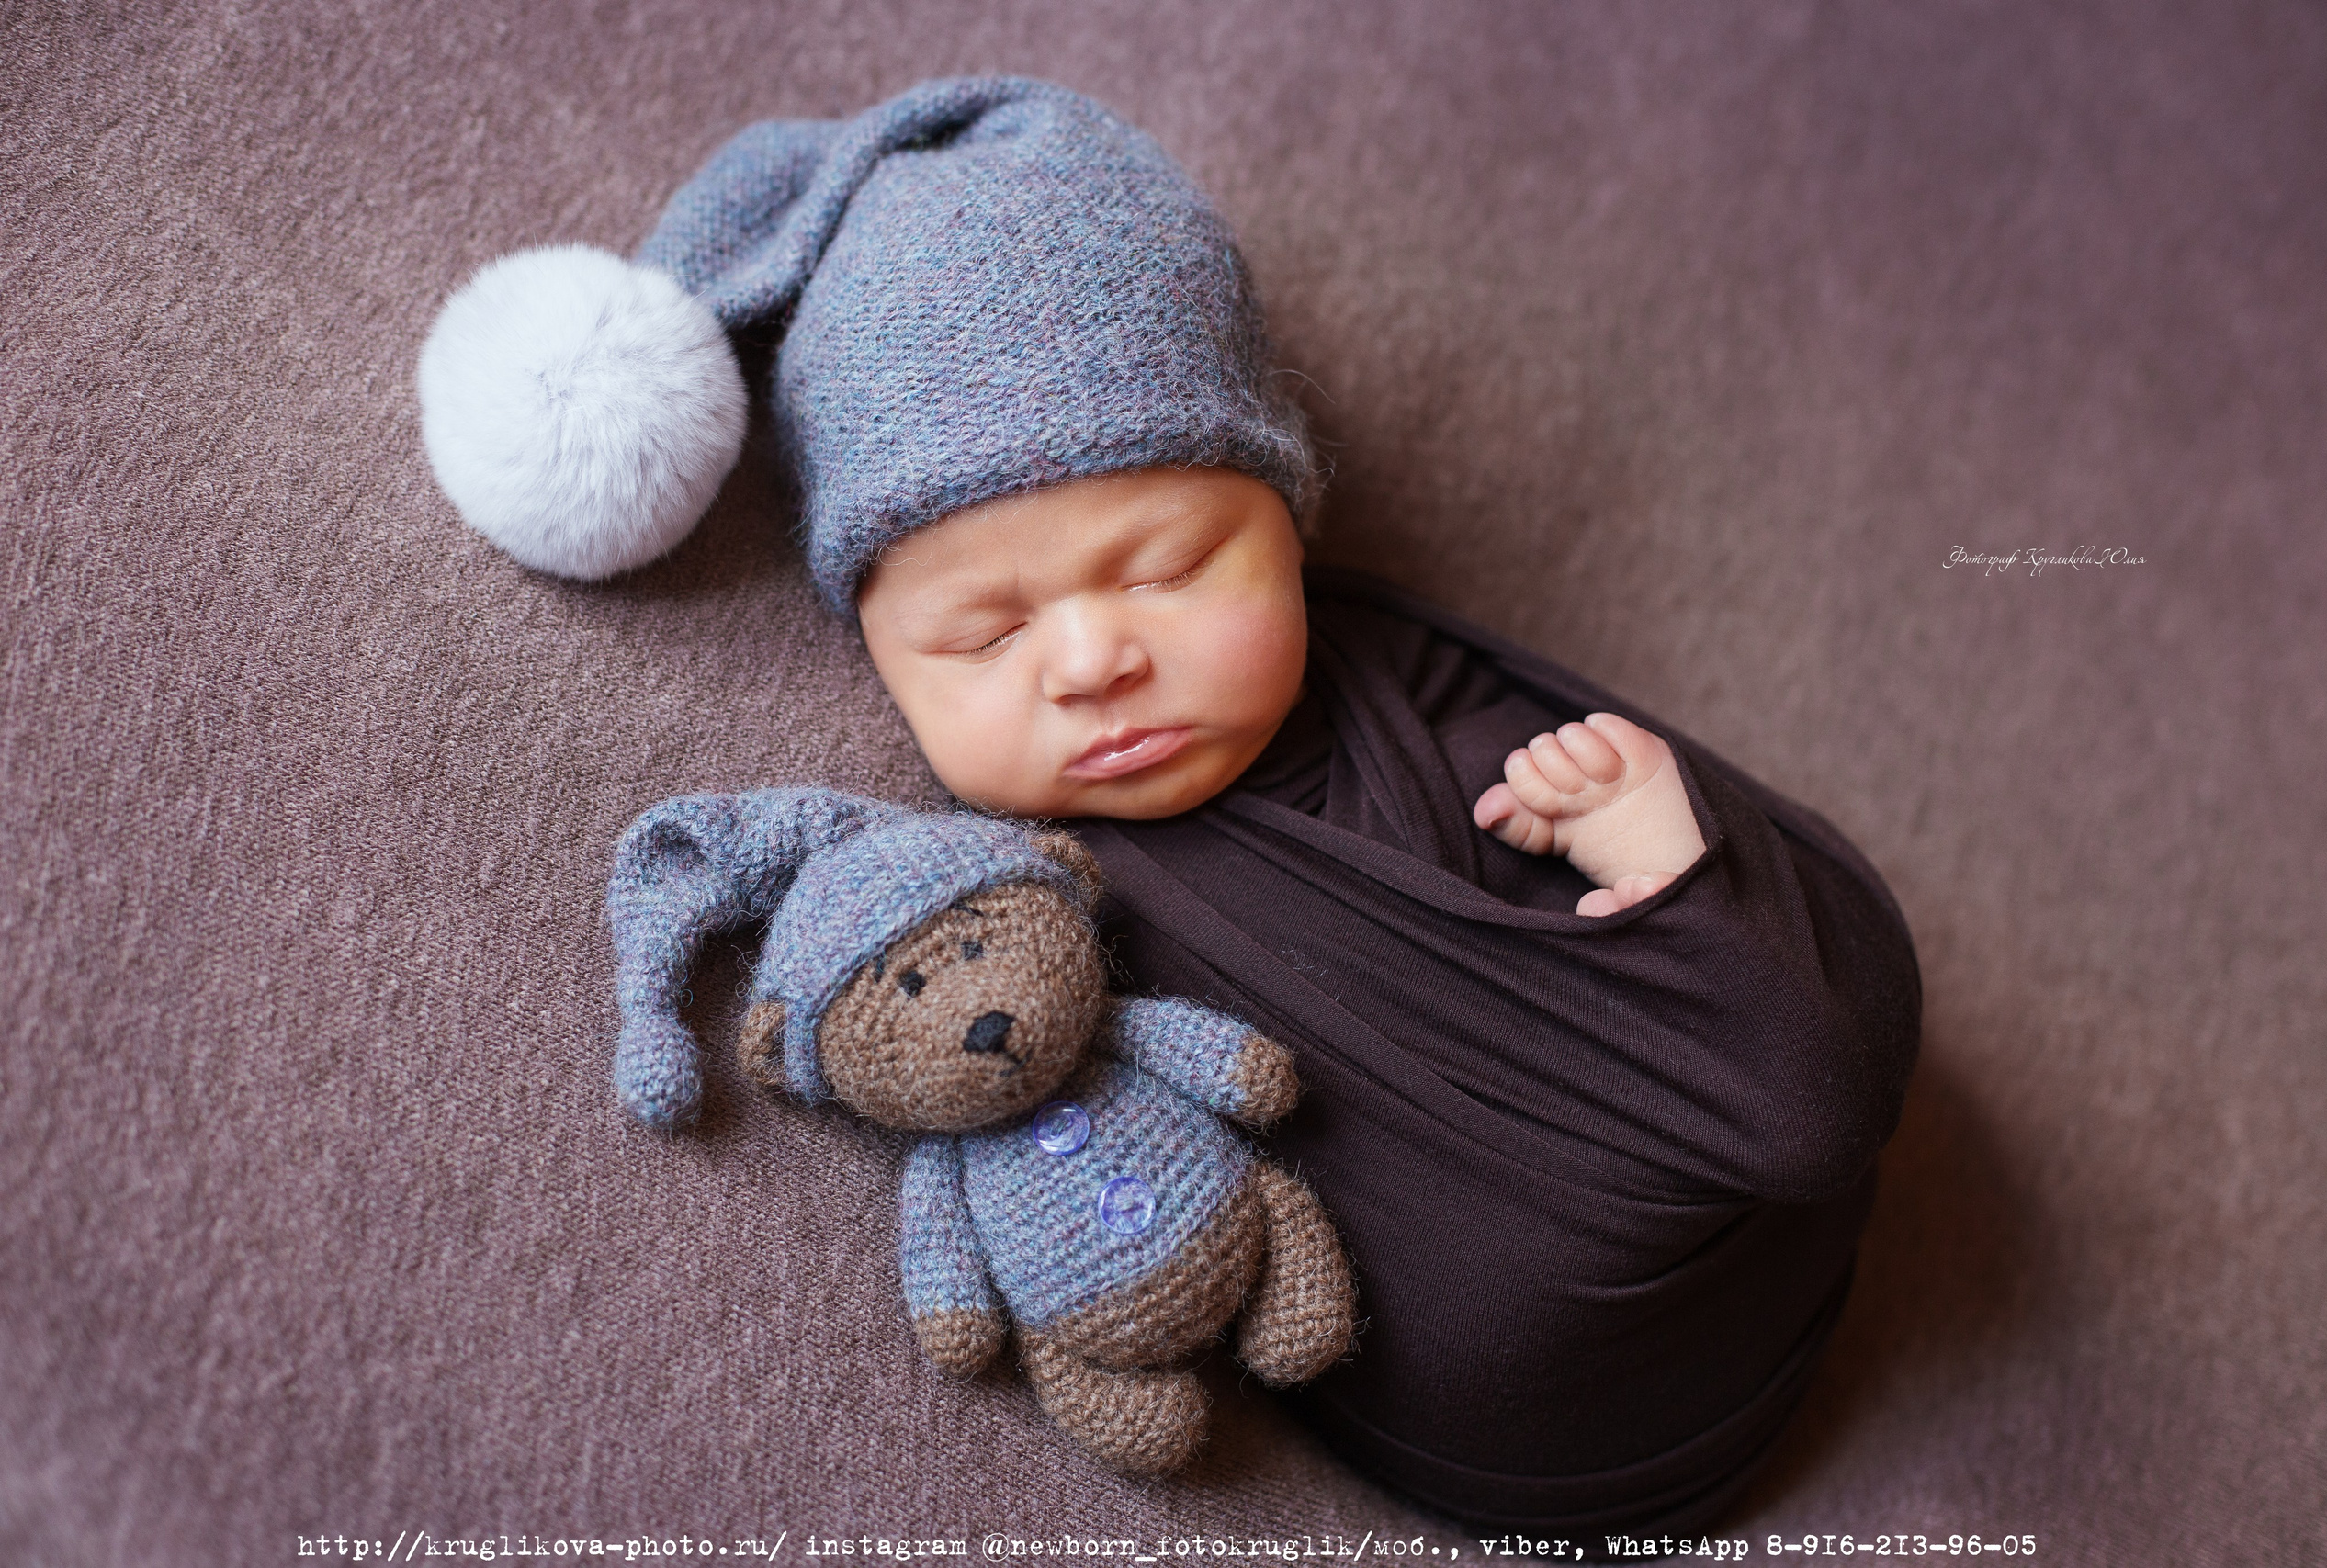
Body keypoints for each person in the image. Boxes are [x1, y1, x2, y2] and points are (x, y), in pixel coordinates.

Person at [418, 75, 1922, 1546]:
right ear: (879, 655)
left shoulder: (1437, 720)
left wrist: (1653, 854)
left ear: (1287, 518)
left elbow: (1809, 1104)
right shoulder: (1001, 893)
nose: (1093, 659)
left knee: (1787, 1054)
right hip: (1516, 1460)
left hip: (1726, 1289)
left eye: (1167, 566)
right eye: (987, 636)